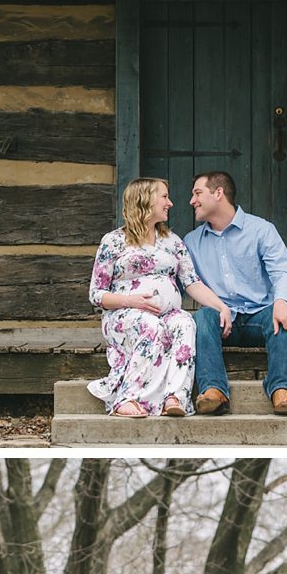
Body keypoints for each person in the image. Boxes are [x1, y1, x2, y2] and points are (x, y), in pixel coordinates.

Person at [87, 177, 232, 418]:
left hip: (167, 314)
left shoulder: (172, 242)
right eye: (164, 197)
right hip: (124, 316)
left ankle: (175, 397)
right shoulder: (113, 241)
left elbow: (191, 282)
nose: (170, 203)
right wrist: (131, 301)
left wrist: (221, 307)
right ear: (145, 200)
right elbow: (96, 294)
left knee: (186, 323)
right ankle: (127, 398)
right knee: (151, 325)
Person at [181, 170, 287, 416]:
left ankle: (281, 389)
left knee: (281, 316)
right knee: (202, 317)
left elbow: (284, 272)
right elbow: (182, 279)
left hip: (260, 317)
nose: (192, 201)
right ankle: (214, 389)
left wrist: (281, 301)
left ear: (218, 193)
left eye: (197, 193)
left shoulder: (261, 230)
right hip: (222, 321)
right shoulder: (191, 242)